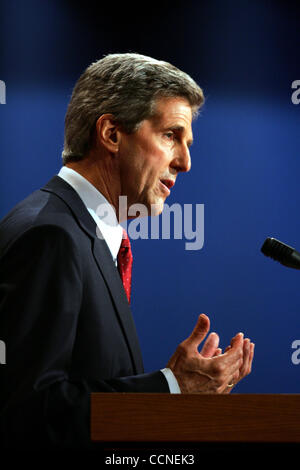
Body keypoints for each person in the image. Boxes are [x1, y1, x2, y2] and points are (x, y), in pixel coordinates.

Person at [0, 53, 254, 450]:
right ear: (112, 134)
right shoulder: (50, 236)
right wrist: (171, 387)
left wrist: (175, 393)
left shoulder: (87, 234)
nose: (185, 162)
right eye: (171, 135)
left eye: (187, 143)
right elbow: (29, 414)